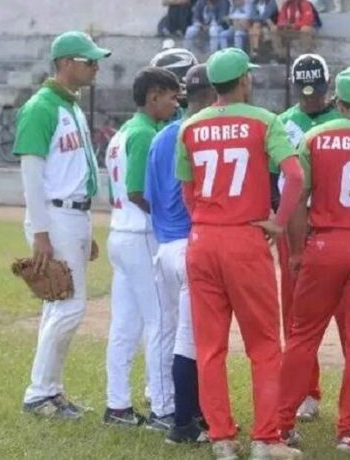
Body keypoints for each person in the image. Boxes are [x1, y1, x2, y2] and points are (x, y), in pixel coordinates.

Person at [175, 47, 304, 460]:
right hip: (245, 239)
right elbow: (296, 174)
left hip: (203, 240)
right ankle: (266, 439)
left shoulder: (190, 126)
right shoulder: (265, 121)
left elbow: (187, 192)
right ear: (244, 80)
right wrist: (280, 222)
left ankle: (222, 440)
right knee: (264, 345)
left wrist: (207, 223)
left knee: (210, 348)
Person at [277, 66, 350, 453]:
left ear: (339, 102)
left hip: (325, 244)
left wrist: (297, 250)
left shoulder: (315, 136)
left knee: (303, 335)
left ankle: (280, 424)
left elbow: (295, 198)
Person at [14, 31, 110, 418]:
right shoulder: (41, 107)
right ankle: (39, 393)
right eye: (89, 61)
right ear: (67, 62)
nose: (96, 67)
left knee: (58, 307)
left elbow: (77, 168)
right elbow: (31, 176)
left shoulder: (71, 106)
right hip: (54, 215)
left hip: (74, 213)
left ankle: (49, 392)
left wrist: (87, 229)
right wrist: (40, 233)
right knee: (70, 306)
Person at [103, 67, 181, 429]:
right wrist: (168, 212)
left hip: (120, 231)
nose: (174, 103)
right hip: (141, 235)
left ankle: (117, 404)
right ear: (153, 96)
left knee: (125, 325)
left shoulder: (123, 131)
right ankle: (163, 408)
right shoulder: (145, 133)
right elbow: (138, 191)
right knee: (161, 321)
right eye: (170, 96)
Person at [145, 63, 217, 444]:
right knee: (191, 339)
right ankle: (183, 423)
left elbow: (149, 195)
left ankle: (196, 412)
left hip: (165, 247)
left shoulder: (163, 135)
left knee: (178, 333)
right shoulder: (199, 134)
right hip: (190, 245)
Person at [274, 53, 342, 423]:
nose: (310, 98)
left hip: (334, 222)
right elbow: (274, 178)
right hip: (296, 228)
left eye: (316, 91)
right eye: (304, 92)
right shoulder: (283, 123)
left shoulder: (343, 120)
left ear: (328, 86)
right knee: (296, 313)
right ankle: (306, 391)